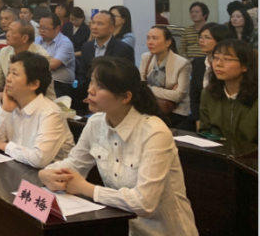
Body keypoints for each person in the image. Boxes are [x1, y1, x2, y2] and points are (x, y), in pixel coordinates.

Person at [39, 57, 198, 236]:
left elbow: (145, 203)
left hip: (163, 231)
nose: (90, 90)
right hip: (121, 227)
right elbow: (75, 164)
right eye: (91, 82)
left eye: (100, 86)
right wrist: (46, 173)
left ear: (125, 97)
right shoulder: (95, 123)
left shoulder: (154, 133)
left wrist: (85, 188)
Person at [0, 51, 75, 167]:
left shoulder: (50, 113)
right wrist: (5, 110)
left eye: (14, 74)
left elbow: (39, 159)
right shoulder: (13, 105)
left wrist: (6, 146)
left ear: (34, 84)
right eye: (8, 73)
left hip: (54, 179)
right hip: (22, 170)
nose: (8, 79)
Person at [199, 39, 258, 143]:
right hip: (218, 154)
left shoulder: (256, 98)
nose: (218, 64)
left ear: (245, 66)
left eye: (226, 59)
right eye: (216, 58)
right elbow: (204, 130)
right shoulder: (208, 94)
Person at [180, 23, 230, 131]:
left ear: (220, 40)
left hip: (221, 118)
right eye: (200, 37)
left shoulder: (227, 66)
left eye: (207, 38)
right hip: (199, 117)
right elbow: (195, 97)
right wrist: (198, 120)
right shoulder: (197, 63)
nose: (201, 41)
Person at [139, 26, 191, 126]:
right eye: (148, 38)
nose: (150, 42)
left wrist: (150, 88)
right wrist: (169, 92)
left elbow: (179, 95)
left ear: (168, 42)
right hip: (151, 107)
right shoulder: (146, 57)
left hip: (175, 111)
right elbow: (139, 86)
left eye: (155, 38)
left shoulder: (182, 63)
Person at [0, 21, 56, 100]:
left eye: (12, 32)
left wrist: (0, 95)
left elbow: (32, 91)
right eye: (8, 31)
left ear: (25, 38)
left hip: (39, 103)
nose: (7, 34)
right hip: (12, 99)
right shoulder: (5, 51)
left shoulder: (41, 56)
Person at [77, 11, 135, 92]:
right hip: (88, 92)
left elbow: (126, 78)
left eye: (100, 24)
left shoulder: (124, 49)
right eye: (93, 23)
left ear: (111, 28)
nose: (94, 27)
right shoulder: (86, 47)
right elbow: (82, 74)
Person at [36, 14, 76, 98]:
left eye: (45, 28)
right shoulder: (36, 40)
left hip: (59, 84)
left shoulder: (65, 42)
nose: (42, 31)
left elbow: (53, 65)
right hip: (39, 80)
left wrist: (34, 63)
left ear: (57, 28)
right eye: (40, 27)